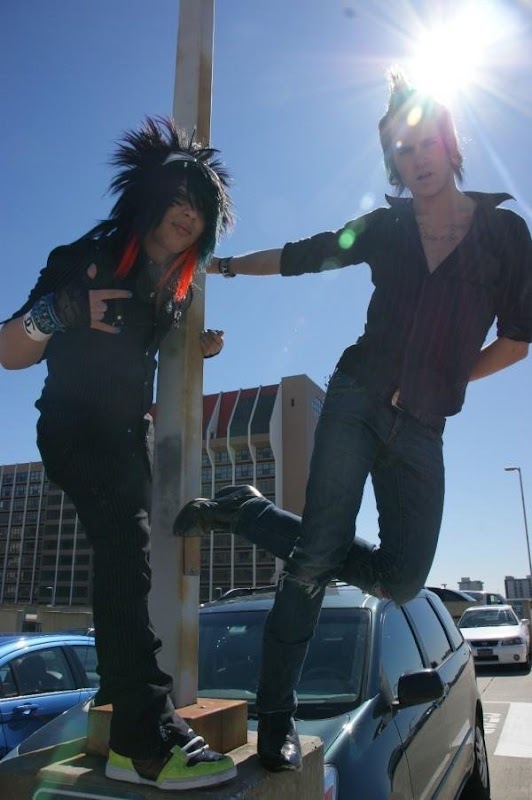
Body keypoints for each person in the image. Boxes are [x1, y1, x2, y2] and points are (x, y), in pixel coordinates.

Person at [174, 71, 532, 773]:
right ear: (393, 160)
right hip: (356, 399)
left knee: (402, 580)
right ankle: (276, 712)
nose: (417, 158)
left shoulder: (506, 232)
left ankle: (245, 510)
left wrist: (448, 379)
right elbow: (304, 255)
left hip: (424, 427)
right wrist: (226, 266)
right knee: (313, 560)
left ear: (451, 144)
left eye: (427, 142)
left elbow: (518, 339)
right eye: (403, 149)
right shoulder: (386, 227)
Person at [0, 117, 238, 791]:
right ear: (147, 199)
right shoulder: (87, 256)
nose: (188, 214)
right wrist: (61, 311)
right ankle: (141, 736)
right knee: (124, 551)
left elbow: (145, 359)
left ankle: (136, 711)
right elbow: (9, 351)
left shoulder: (173, 288)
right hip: (73, 430)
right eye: (177, 199)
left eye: (201, 207)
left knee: (129, 558)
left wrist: (197, 348)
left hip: (128, 437)